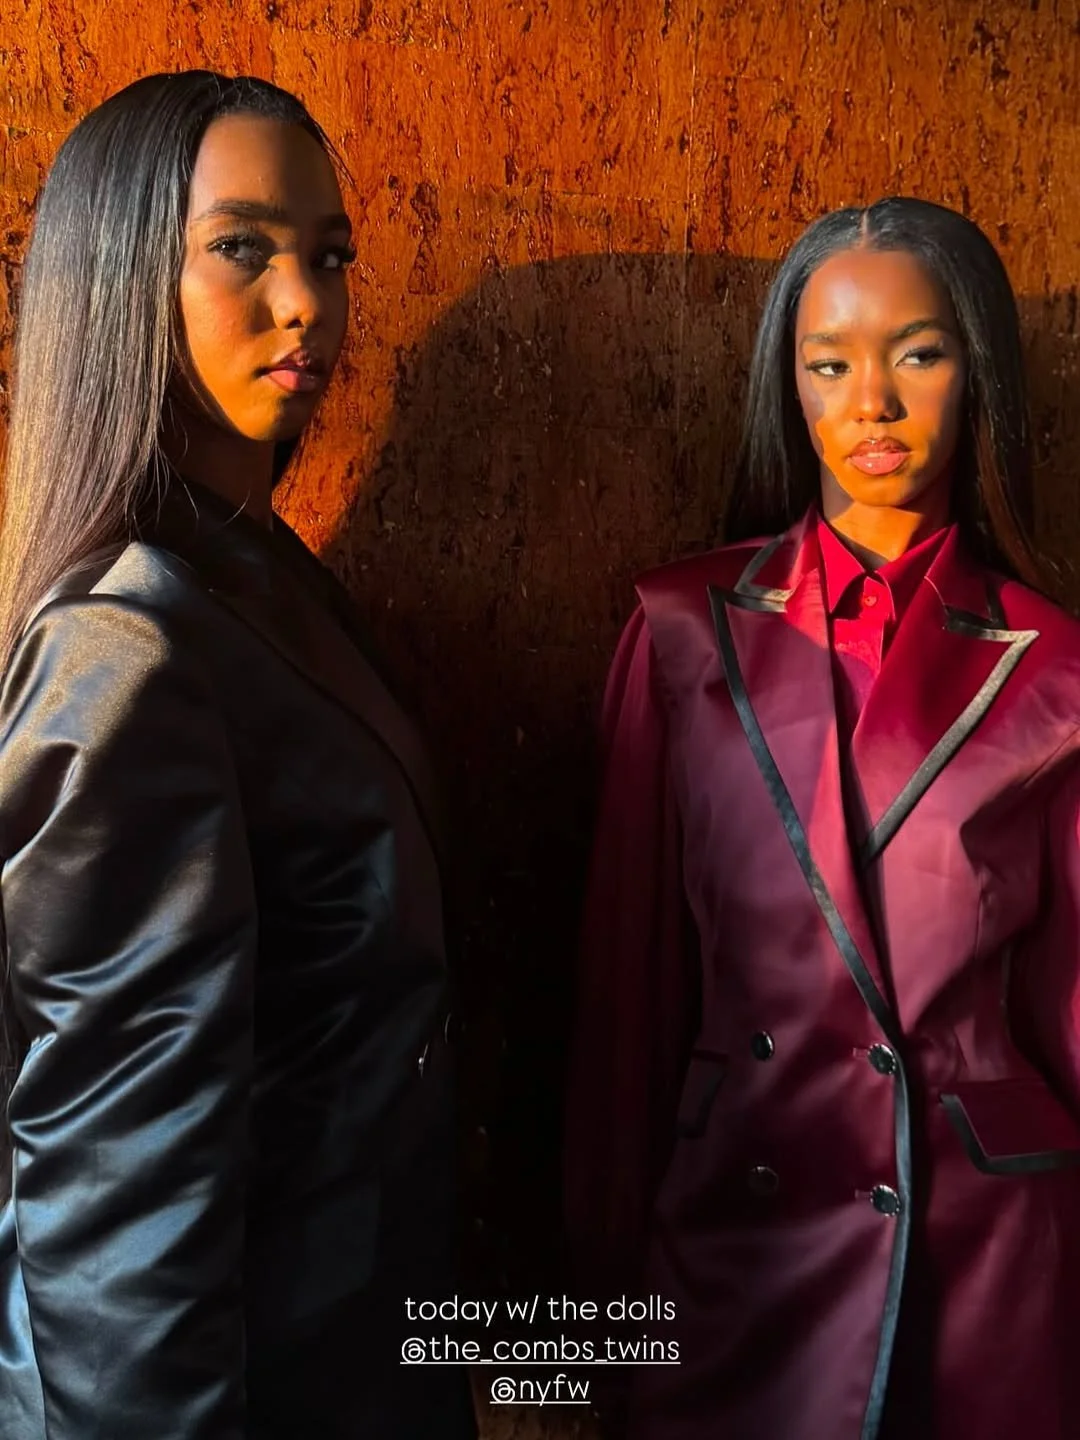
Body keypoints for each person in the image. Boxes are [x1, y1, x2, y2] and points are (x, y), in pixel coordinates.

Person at [0, 71, 475, 1440]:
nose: (306, 304)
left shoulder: (257, 584)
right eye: (244, 249)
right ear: (126, 269)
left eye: (328, 256)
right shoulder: (127, 651)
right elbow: (116, 1212)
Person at [565, 197, 1080, 1440]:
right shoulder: (683, 629)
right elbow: (630, 1001)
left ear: (980, 372)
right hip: (740, 1231)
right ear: (785, 383)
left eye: (918, 354)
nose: (873, 406)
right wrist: (592, 1313)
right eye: (829, 363)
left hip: (981, 1258)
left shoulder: (1056, 670)